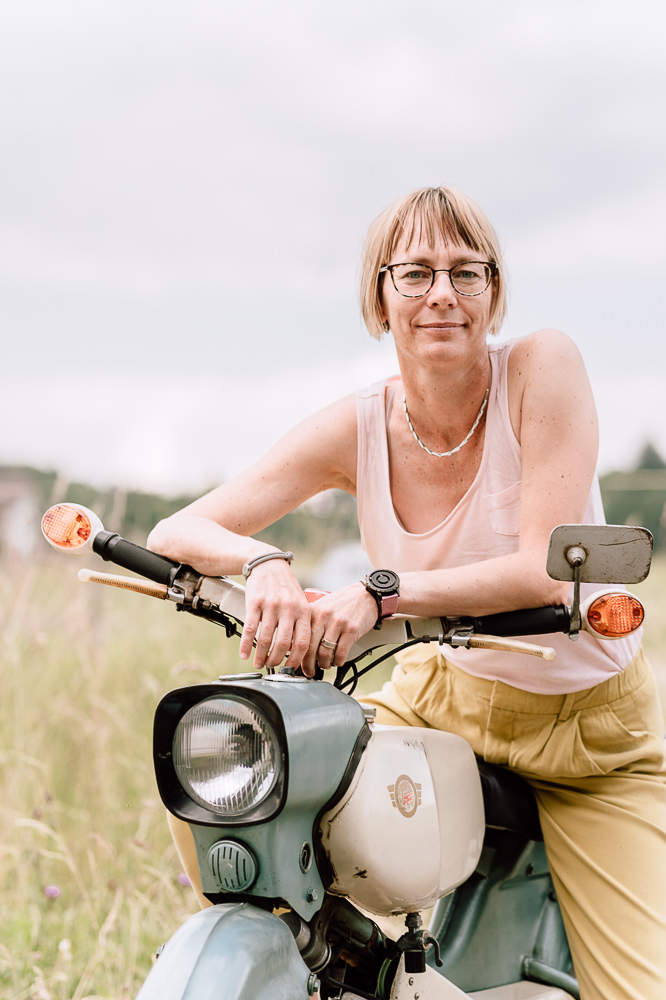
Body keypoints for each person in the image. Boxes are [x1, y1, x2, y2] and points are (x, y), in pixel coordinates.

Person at [147, 186, 666, 1000]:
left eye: (466, 272)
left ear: (494, 293)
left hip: (590, 736)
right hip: (442, 693)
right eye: (415, 272)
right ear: (378, 296)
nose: (442, 294)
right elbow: (183, 529)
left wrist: (380, 592)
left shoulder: (541, 368)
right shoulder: (359, 425)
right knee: (255, 792)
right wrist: (266, 567)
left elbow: (542, 567)